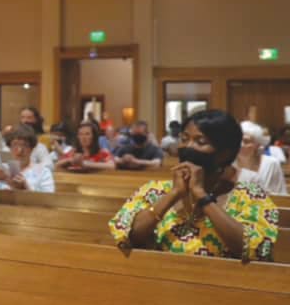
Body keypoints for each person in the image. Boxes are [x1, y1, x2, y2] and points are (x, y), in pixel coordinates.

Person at [109, 110, 279, 261]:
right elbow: (128, 236)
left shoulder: (249, 196)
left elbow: (254, 249)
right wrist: (173, 194)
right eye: (184, 139)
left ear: (224, 153)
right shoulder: (154, 190)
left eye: (200, 141)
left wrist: (202, 196)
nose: (188, 147)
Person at [0, 124, 55, 192]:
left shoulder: (43, 172)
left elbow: (48, 200)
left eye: (24, 145)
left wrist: (25, 188)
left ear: (31, 148)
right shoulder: (1, 169)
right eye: (15, 144)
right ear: (9, 147)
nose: (19, 150)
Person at [236, 121, 287, 196]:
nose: (241, 145)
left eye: (246, 141)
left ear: (258, 144)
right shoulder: (229, 163)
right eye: (238, 140)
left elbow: (281, 195)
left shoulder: (271, 163)